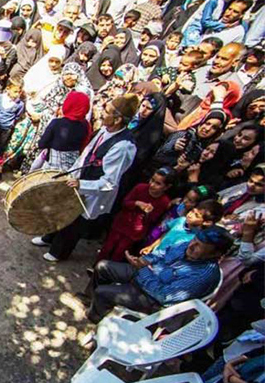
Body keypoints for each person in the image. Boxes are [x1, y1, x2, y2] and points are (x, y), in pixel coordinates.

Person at [31, 94, 139, 262]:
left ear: (117, 119)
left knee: (75, 222)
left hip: (92, 190)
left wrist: (82, 184)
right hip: (79, 180)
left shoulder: (124, 147)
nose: (102, 113)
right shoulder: (104, 130)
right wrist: (72, 173)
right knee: (62, 210)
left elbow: (110, 182)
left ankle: (59, 252)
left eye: (107, 110)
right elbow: (87, 154)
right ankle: (49, 238)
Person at [84, 226, 233, 323]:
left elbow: (164, 296)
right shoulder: (187, 246)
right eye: (195, 240)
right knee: (103, 266)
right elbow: (162, 253)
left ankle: (95, 318)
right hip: (146, 275)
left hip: (153, 298)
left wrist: (142, 269)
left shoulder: (202, 275)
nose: (192, 245)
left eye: (200, 246)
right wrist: (143, 260)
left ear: (215, 254)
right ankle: (91, 301)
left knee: (103, 292)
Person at [97, 167, 174, 262]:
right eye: (152, 180)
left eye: (158, 183)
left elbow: (154, 219)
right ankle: (96, 265)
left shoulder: (164, 201)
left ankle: (108, 270)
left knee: (120, 251)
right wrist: (136, 203)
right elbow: (125, 202)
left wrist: (148, 213)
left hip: (135, 232)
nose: (152, 185)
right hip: (121, 223)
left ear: (167, 187)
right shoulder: (140, 188)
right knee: (107, 246)